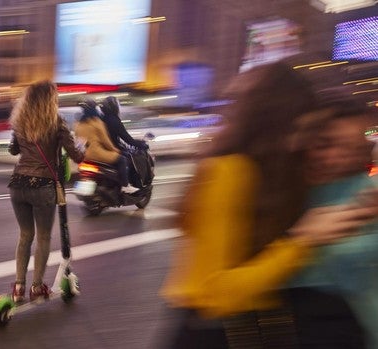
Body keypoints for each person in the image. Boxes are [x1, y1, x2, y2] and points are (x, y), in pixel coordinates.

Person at [155, 61, 378, 348]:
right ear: (275, 120)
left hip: (259, 326)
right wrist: (303, 239)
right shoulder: (229, 170)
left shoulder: (277, 175)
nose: (300, 142)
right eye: (299, 129)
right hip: (210, 331)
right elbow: (216, 294)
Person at [285, 89, 378, 348]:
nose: (335, 157)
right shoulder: (277, 193)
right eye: (324, 143)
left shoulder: (365, 191)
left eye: (352, 148)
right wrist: (300, 239)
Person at [7, 80, 84, 303]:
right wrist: (83, 146)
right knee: (43, 237)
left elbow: (13, 150)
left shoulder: (19, 122)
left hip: (18, 184)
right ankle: (37, 287)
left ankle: (19, 287)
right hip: (43, 186)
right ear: (50, 100)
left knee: (24, 236)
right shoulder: (56, 123)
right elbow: (77, 156)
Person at [74, 98, 136, 192]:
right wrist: (116, 150)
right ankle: (125, 185)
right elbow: (106, 142)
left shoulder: (78, 124)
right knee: (122, 159)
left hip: (85, 156)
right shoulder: (97, 122)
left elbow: (79, 142)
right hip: (97, 154)